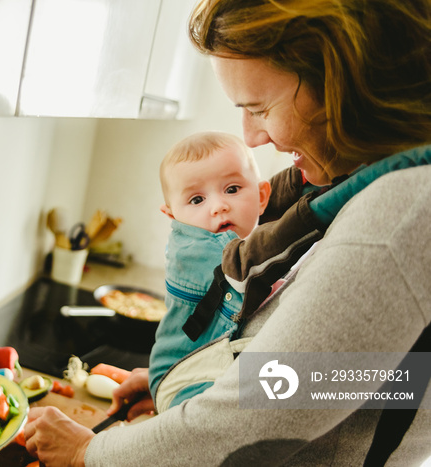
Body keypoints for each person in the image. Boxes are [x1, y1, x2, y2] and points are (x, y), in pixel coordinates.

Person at [23, 0, 431, 465]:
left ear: (343, 84)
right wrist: (193, 382)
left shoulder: (400, 213)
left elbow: (264, 411)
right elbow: (368, 380)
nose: (253, 136)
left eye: (259, 107)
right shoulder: (392, 189)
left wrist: (89, 452)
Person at [151, 131, 276, 410]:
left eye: (232, 189)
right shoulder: (195, 248)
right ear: (173, 216)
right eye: (197, 200)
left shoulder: (241, 243)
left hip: (209, 373)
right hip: (183, 379)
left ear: (261, 196)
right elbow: (249, 265)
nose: (219, 206)